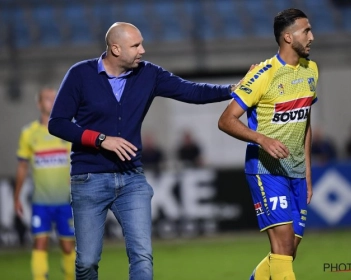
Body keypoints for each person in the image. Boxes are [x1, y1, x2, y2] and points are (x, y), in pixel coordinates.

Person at [48, 22, 242, 280]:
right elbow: (57, 123)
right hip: (89, 180)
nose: (143, 50)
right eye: (136, 45)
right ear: (115, 49)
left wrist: (231, 90)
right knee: (87, 262)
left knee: (141, 255)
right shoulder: (80, 74)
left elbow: (190, 90)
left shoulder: (149, 74)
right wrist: (101, 139)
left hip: (132, 179)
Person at [218, 9, 317, 280]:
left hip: (296, 172)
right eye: (306, 31)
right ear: (287, 37)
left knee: (287, 251)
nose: (312, 36)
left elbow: (305, 122)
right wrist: (262, 139)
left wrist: (307, 171)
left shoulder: (312, 70)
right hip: (265, 170)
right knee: (283, 248)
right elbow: (226, 120)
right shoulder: (263, 73)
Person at [14, 87, 75, 280]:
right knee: (39, 243)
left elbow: (77, 162)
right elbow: (22, 167)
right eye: (47, 99)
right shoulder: (29, 133)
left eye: (54, 98)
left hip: (66, 201)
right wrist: (16, 197)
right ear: (39, 104)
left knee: (67, 246)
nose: (52, 102)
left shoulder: (67, 130)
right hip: (41, 202)